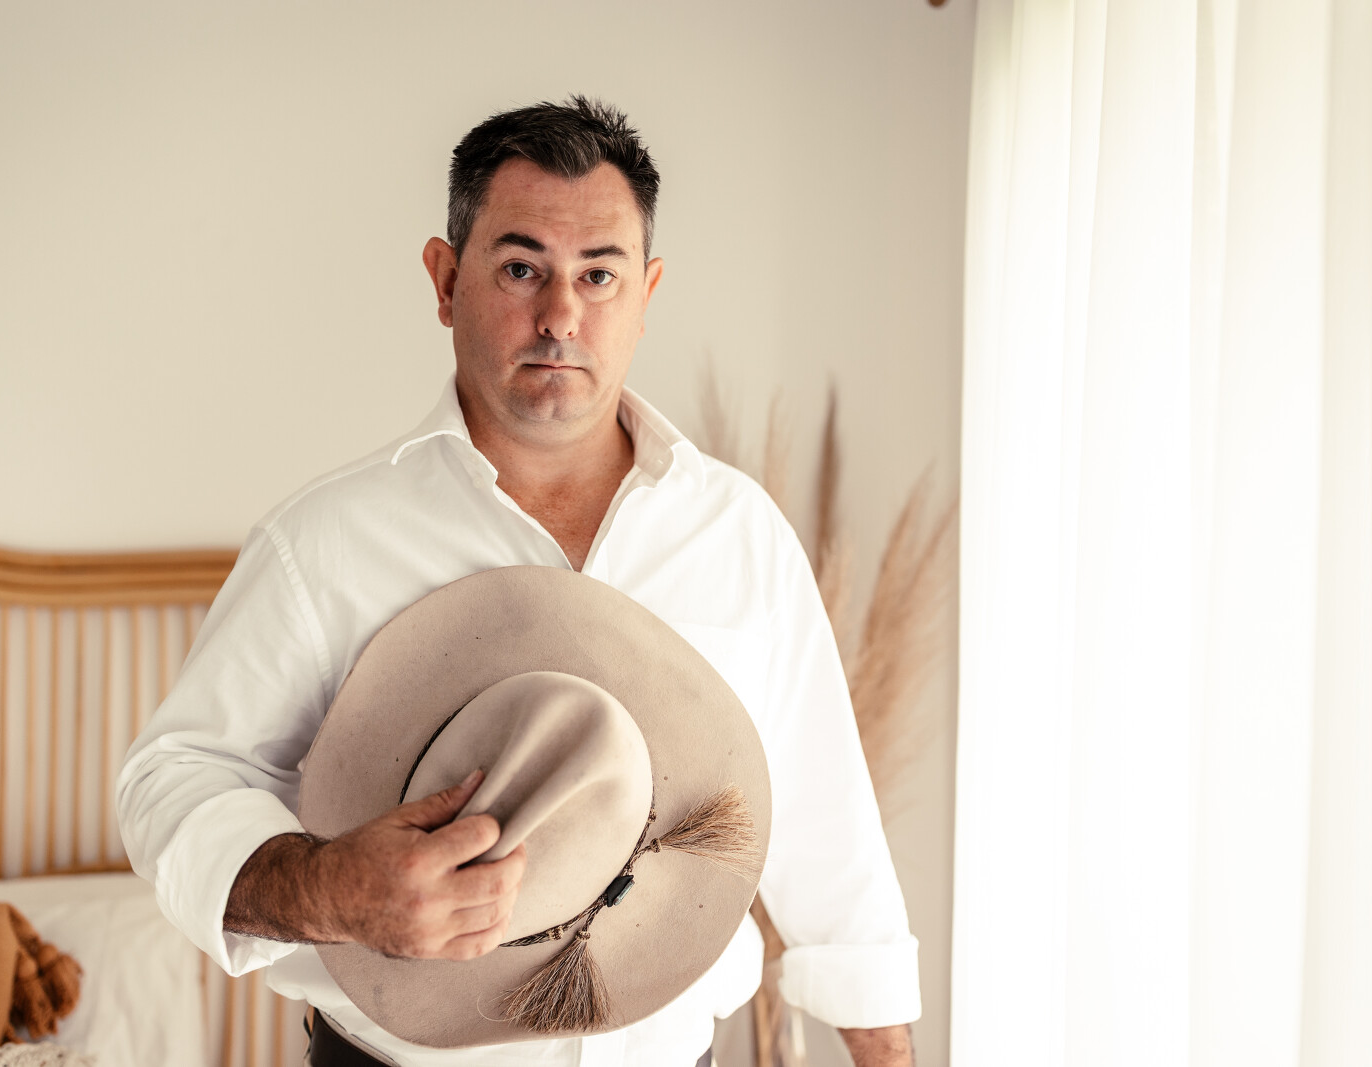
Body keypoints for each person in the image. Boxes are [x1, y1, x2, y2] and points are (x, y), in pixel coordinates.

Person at [117, 96, 920, 1067]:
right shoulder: (324, 544)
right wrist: (330, 889)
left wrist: (886, 1049)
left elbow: (826, 830)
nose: (560, 316)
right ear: (445, 279)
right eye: (521, 268)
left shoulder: (738, 535)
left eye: (598, 274)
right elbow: (173, 780)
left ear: (647, 292)